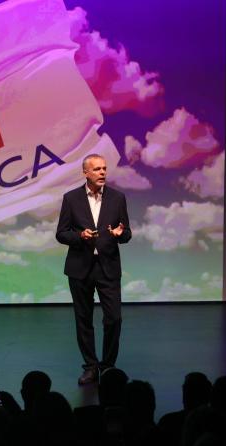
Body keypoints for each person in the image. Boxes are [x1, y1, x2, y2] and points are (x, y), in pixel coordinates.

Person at [55, 153, 131, 385]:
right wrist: (80, 236)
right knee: (83, 319)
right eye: (97, 169)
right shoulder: (71, 198)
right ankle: (90, 366)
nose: (102, 172)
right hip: (80, 268)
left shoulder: (117, 198)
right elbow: (61, 233)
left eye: (104, 168)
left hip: (108, 267)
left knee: (114, 319)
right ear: (85, 173)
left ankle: (108, 366)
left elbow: (126, 233)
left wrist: (120, 234)